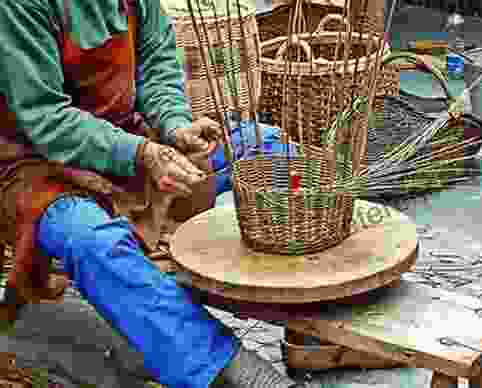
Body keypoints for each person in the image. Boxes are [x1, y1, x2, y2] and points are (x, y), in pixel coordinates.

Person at [0, 0, 309, 387]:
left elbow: (158, 63)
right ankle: (225, 369)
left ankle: (311, 332)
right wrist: (142, 154)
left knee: (270, 149)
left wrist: (175, 127)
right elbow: (45, 117)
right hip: (35, 166)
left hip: (128, 143)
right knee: (93, 241)